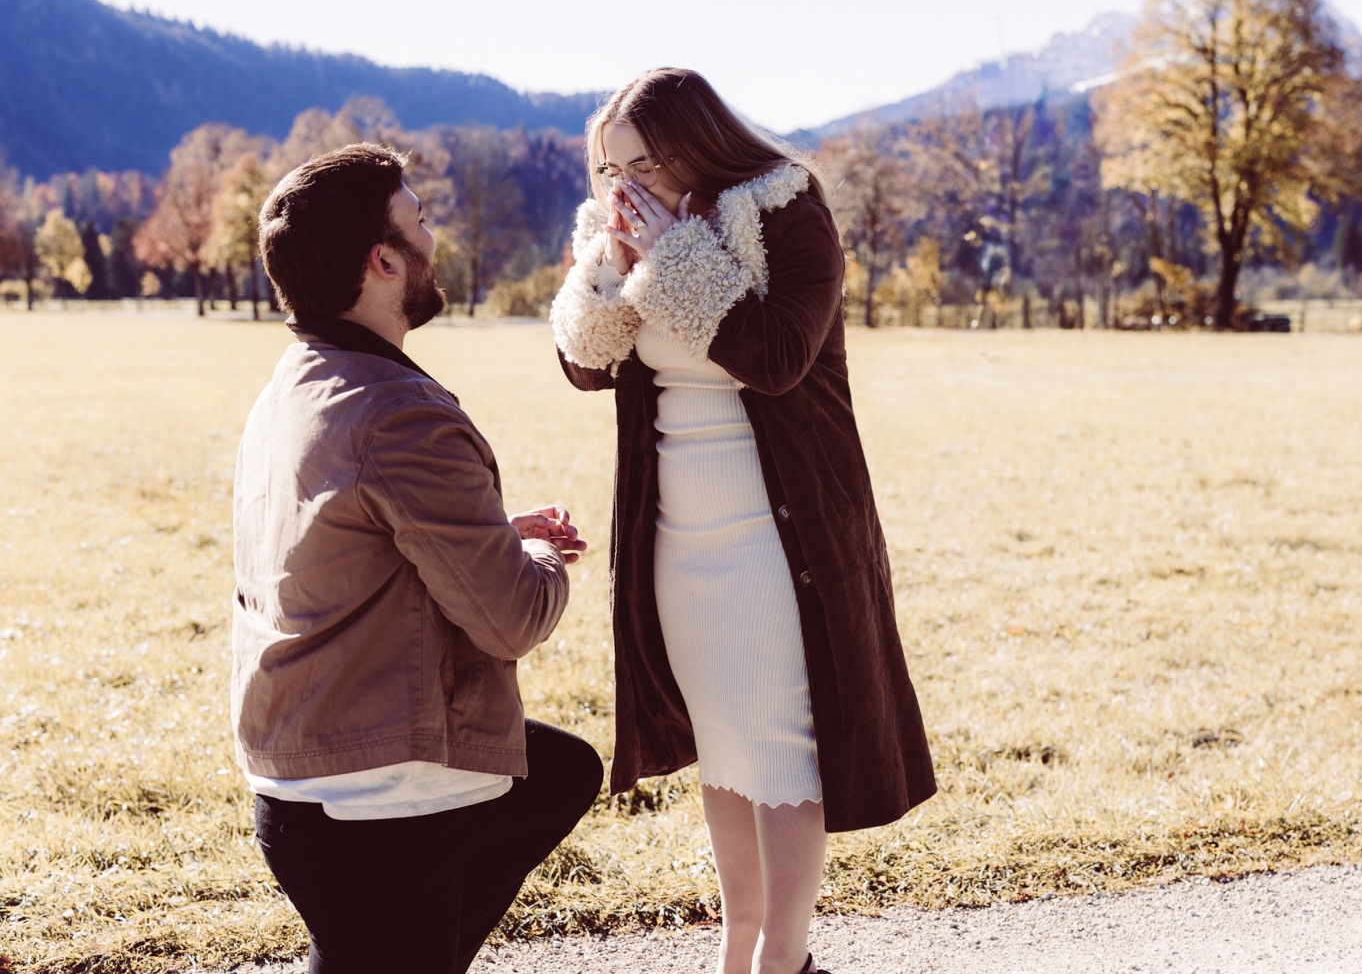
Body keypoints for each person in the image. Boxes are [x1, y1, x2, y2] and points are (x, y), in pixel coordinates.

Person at [551, 70, 936, 974]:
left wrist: (675, 257)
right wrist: (608, 273)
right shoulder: (618, 231)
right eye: (608, 167)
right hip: (673, 531)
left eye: (641, 161)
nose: (623, 184)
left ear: (696, 141)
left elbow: (774, 357)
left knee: (780, 745)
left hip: (777, 526)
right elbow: (584, 366)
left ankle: (784, 958)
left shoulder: (784, 207)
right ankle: (740, 946)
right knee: (724, 743)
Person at [231, 143, 601, 974]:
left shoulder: (299, 383)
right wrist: (535, 550)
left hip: (295, 769)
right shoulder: (399, 413)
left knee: (562, 771)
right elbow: (510, 617)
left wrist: (489, 529)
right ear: (384, 260)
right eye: (420, 219)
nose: (435, 238)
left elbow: (351, 540)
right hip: (385, 791)